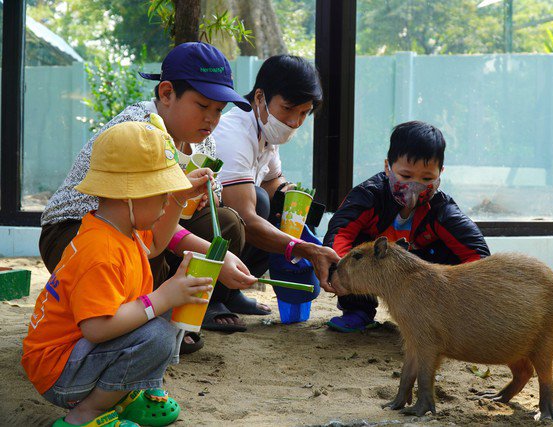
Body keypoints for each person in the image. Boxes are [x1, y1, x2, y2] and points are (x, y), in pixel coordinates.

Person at [40, 42, 256, 341]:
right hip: (76, 230)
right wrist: (210, 253)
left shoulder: (204, 140)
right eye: (203, 106)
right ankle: (129, 321)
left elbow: (205, 202)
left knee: (227, 222)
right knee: (140, 241)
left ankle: (181, 309)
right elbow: (128, 211)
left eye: (219, 110)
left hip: (141, 222)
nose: (212, 118)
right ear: (166, 93)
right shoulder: (140, 131)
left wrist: (202, 196)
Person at [22, 121, 215, 426]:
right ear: (130, 196)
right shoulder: (101, 251)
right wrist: (160, 298)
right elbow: (97, 329)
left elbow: (157, 245)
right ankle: (85, 414)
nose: (167, 201)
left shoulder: (120, 229)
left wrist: (180, 198)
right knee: (159, 334)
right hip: (60, 372)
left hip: (78, 355)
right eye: (162, 194)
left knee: (169, 309)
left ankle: (124, 394)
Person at [323, 121, 491, 332]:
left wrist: (467, 298)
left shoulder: (442, 211)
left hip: (421, 279)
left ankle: (438, 321)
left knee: (455, 257)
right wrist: (339, 271)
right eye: (406, 176)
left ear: (441, 173)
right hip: (372, 271)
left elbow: (480, 257)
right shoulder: (368, 196)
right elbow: (340, 233)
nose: (415, 185)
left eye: (427, 178)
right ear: (387, 167)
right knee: (355, 251)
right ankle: (359, 311)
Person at [211, 54, 340, 295]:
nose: (294, 121)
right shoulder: (235, 134)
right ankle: (214, 295)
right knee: (258, 202)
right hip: (202, 232)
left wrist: (292, 199)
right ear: (260, 97)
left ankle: (231, 294)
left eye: (304, 113)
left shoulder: (266, 130)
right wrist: (307, 250)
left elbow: (273, 180)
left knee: (279, 205)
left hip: (232, 227)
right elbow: (246, 220)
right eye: (288, 109)